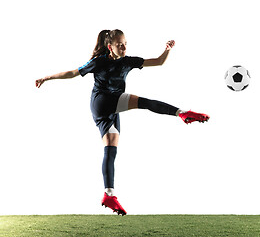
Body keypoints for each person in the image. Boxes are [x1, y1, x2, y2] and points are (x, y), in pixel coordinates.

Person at [35, 29, 209, 215]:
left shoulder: (127, 61)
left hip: (111, 107)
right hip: (102, 102)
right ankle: (182, 113)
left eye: (125, 43)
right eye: (120, 45)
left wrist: (167, 50)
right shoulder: (99, 61)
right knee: (143, 102)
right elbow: (72, 73)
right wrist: (47, 77)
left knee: (111, 148)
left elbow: (158, 62)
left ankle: (109, 194)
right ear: (110, 47)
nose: (124, 46)